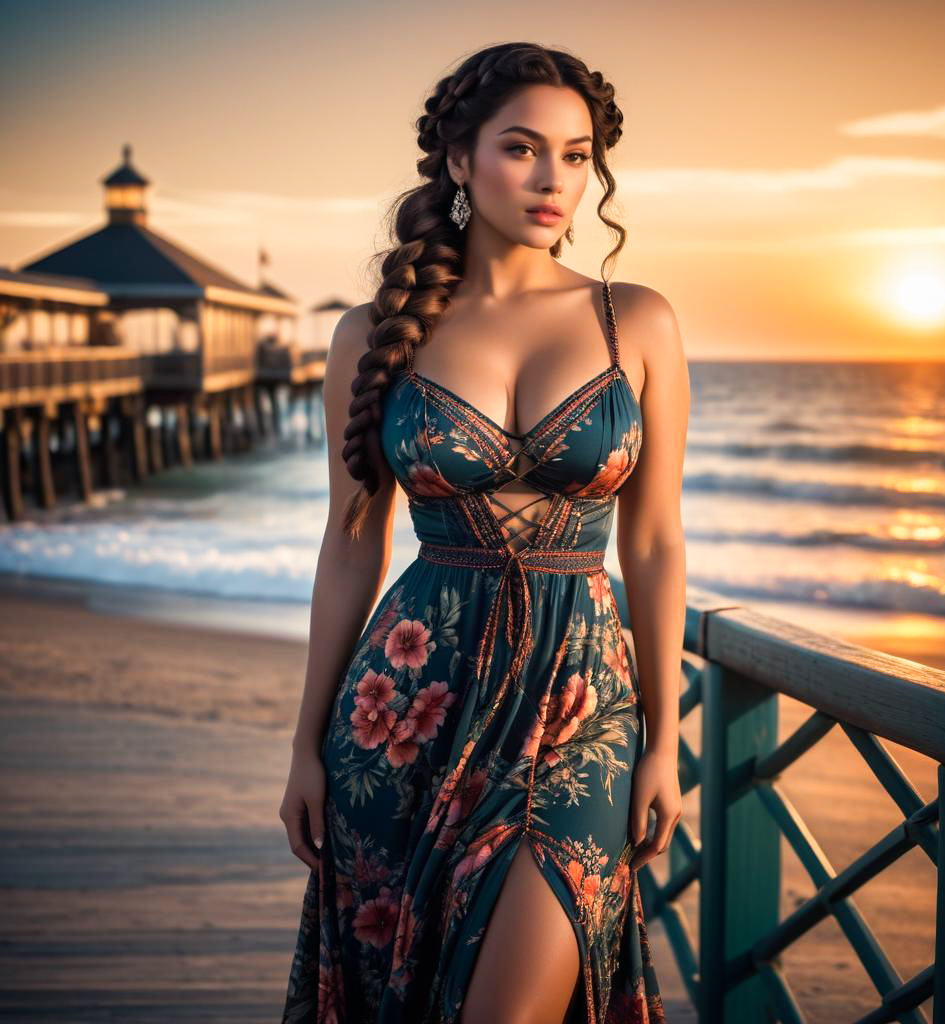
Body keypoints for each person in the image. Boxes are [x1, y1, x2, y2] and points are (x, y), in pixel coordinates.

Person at [279, 41, 689, 1024]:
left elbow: (655, 543)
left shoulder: (634, 320)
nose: (556, 179)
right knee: (405, 993)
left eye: (578, 154)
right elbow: (352, 541)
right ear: (459, 160)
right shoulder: (374, 331)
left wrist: (666, 739)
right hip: (408, 704)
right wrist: (304, 744)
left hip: (580, 707)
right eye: (522, 148)